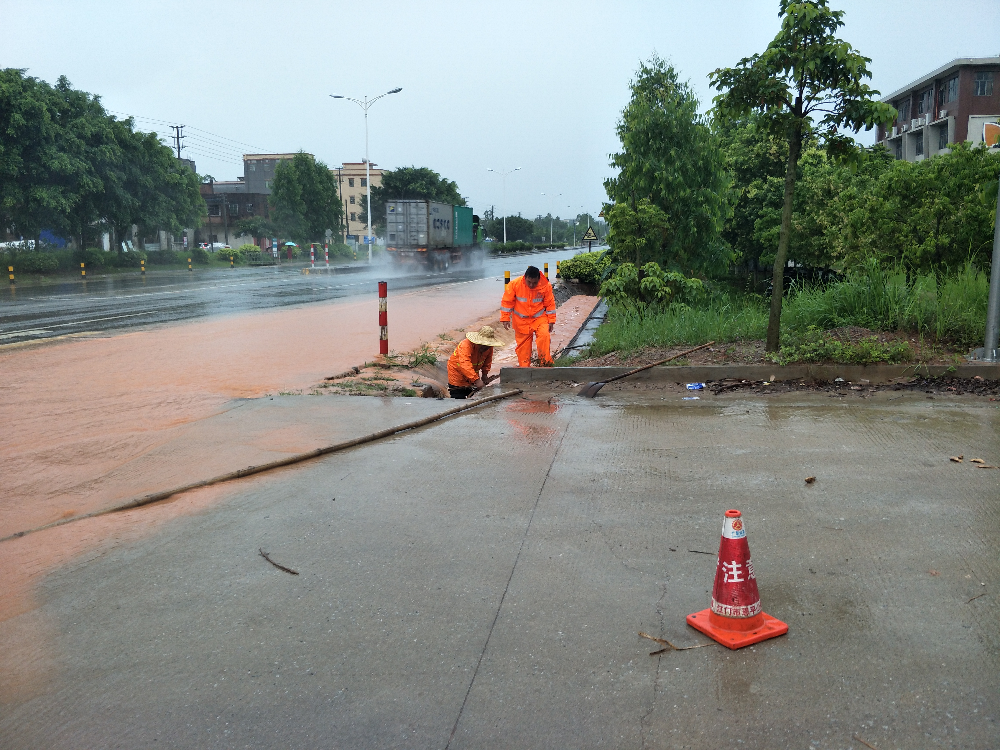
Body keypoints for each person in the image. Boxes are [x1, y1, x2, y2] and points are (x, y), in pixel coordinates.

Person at [500, 265, 556, 367]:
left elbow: (550, 304)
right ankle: (525, 371)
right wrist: (505, 317)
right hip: (521, 321)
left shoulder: (545, 286)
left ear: (539, 280)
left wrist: (551, 321)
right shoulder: (514, 284)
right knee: (523, 350)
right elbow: (507, 302)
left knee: (544, 337)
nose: (531, 285)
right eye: (529, 282)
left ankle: (546, 366)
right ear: (524, 277)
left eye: (534, 283)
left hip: (539, 318)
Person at [447, 325, 505, 399]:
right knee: (458, 400)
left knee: (474, 399)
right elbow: (465, 364)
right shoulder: (466, 345)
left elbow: (487, 361)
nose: (485, 348)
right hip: (458, 375)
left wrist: (484, 374)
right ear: (478, 342)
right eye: (483, 345)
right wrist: (477, 380)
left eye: (488, 345)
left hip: (472, 375)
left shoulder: (489, 348)